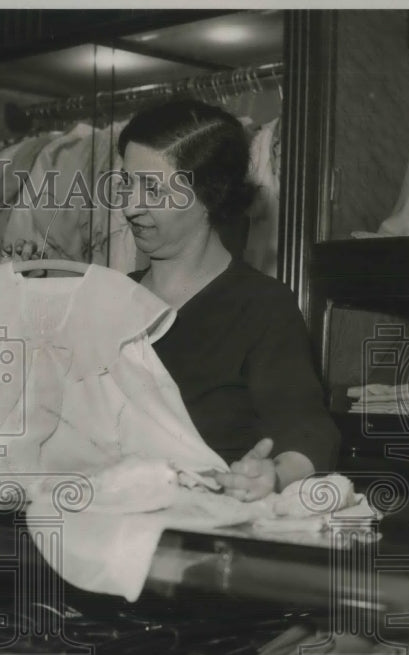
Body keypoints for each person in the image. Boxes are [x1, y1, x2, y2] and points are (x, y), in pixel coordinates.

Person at [117, 99, 339, 501]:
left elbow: (310, 431)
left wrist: (272, 475)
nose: (129, 206)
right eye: (126, 183)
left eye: (152, 188)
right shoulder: (109, 297)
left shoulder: (262, 307)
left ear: (209, 195)